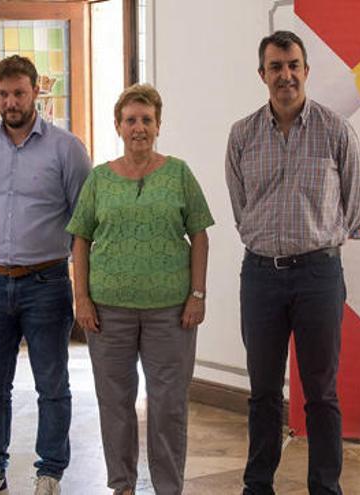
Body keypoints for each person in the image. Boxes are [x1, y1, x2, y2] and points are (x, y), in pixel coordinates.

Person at [225, 31, 360, 495]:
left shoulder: (335, 130)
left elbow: (356, 206)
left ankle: (325, 488)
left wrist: (319, 242)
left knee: (321, 393)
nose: (285, 75)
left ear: (306, 70)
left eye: (292, 65)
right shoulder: (242, 134)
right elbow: (240, 206)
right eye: (275, 67)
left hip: (318, 276)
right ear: (262, 74)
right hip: (260, 276)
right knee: (264, 393)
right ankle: (257, 485)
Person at [67, 84, 214, 495]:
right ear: (118, 125)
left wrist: (197, 294)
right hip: (107, 312)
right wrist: (81, 298)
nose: (139, 128)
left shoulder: (179, 174)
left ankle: (169, 487)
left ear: (158, 126)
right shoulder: (99, 179)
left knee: (168, 405)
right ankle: (122, 485)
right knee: (114, 403)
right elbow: (80, 238)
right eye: (130, 120)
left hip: (171, 312)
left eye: (146, 120)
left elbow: (200, 235)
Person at [0, 55, 91, 495]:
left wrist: (81, 290)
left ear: (36, 91)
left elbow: (81, 221)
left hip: (46, 282)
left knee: (52, 384)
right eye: (2, 93)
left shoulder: (67, 148)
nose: (11, 101)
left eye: (19, 92)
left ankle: (50, 471)